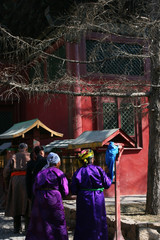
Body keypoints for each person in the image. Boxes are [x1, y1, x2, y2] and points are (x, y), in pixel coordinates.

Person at [26, 152, 69, 240]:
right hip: (54, 198)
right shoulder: (59, 172)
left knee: (42, 221)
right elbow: (65, 190)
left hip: (40, 198)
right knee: (57, 221)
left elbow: (34, 188)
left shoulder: (41, 173)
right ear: (57, 163)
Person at [70, 149, 112, 240]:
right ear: (92, 159)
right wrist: (109, 174)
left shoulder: (78, 172)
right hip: (98, 198)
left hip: (83, 199)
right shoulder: (98, 169)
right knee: (99, 219)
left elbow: (73, 189)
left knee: (83, 220)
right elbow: (107, 184)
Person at [3, 143, 31, 233]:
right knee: (27, 203)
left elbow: (6, 171)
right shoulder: (30, 156)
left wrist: (7, 182)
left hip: (15, 181)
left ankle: (17, 228)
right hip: (27, 180)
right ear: (26, 148)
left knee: (16, 203)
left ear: (19, 149)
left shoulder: (13, 156)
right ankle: (28, 228)